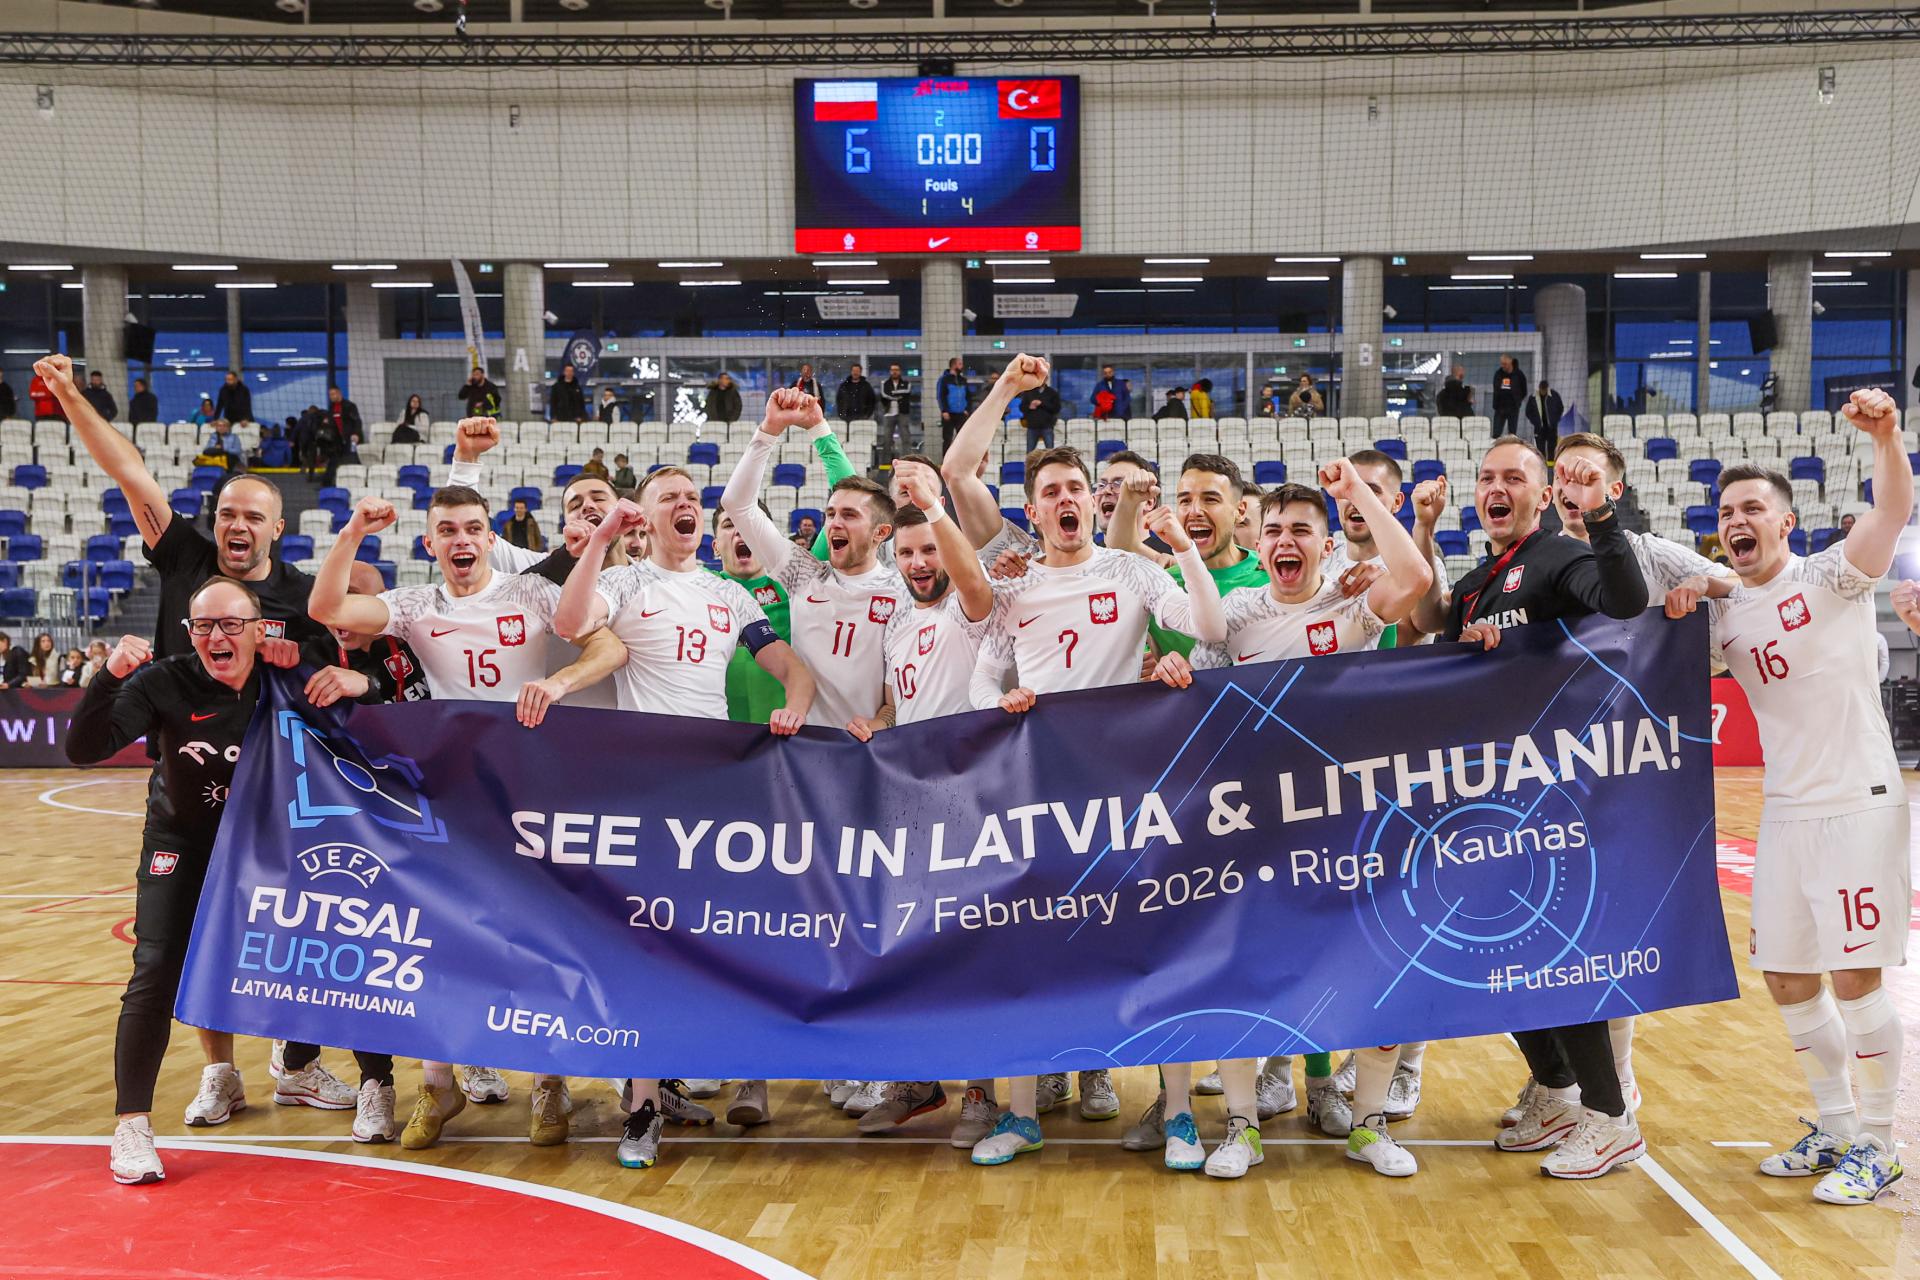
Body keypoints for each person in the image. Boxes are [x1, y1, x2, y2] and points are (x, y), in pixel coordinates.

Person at [308, 490, 624, 1151]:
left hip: (530, 792)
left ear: (489, 538)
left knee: (540, 942)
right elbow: (328, 608)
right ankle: (438, 1087)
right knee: (438, 943)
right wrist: (355, 530)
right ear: (430, 544)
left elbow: (610, 648)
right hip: (447, 795)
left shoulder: (531, 592)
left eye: (473, 528)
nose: (461, 538)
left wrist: (559, 686)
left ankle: (548, 1081)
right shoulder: (417, 605)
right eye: (447, 529)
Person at [1149, 466, 1435, 1179]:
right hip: (1254, 830)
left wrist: (1356, 494)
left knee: (1379, 972)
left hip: (1351, 828)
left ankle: (1369, 1125)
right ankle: (1242, 1127)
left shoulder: (1356, 604)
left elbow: (1418, 581)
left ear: (1325, 542)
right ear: (1259, 536)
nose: (1285, 540)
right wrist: (1171, 674)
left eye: (1301, 530)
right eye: (1273, 529)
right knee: (1245, 976)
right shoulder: (1240, 609)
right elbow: (1196, 670)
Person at [963, 445, 1225, 1168]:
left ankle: (1179, 1118)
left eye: (1077, 487)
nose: (1066, 499)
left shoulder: (1134, 569)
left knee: (1157, 947)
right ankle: (1020, 1117)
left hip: (1133, 789)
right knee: (1031, 950)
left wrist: (1181, 551)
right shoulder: (1010, 588)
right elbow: (980, 684)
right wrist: (1004, 706)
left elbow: (1207, 629)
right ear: (1033, 510)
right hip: (1044, 792)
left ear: (1093, 501)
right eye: (1052, 490)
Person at [554, 477, 815, 1171]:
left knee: (725, 940)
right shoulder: (630, 580)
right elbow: (568, 622)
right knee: (648, 950)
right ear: (649, 513)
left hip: (718, 790)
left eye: (689, 495)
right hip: (648, 789)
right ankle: (640, 1111)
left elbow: (791, 665)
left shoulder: (729, 594)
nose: (684, 503)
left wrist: (793, 702)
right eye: (667, 496)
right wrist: (604, 538)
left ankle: (718, 1074)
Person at [1409, 436, 1651, 1181]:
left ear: (1543, 496)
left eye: (1514, 477)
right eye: (1486, 477)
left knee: (1557, 965)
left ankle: (1611, 1119)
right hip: (1489, 802)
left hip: (1555, 800)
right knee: (1494, 957)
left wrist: (1603, 517)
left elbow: (1625, 601)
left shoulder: (1553, 558)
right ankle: (1555, 1088)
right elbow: (1435, 634)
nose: (1495, 487)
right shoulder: (1483, 577)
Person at [1691, 389, 1910, 1206]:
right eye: (1726, 511)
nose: (1737, 519)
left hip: (1859, 798)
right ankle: (1834, 1129)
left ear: (1785, 522)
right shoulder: (1724, 617)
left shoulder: (1834, 575)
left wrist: (1888, 438)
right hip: (1787, 809)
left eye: (1753, 507)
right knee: (1787, 975)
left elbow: (1890, 509)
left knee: (1856, 976)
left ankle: (1881, 1145)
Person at [68, 582, 294, 1184]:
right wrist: (108, 678)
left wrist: (358, 682)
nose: (216, 637)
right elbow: (84, 748)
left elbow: (365, 713)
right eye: (203, 626)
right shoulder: (162, 681)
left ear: (258, 629)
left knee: (312, 956)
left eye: (230, 625)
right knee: (157, 968)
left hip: (267, 847)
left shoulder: (287, 677)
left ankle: (302, 1069)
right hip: (182, 844)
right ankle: (132, 1126)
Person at [840, 467, 998, 1144]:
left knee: (976, 952)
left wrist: (936, 507)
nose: (918, 563)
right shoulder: (899, 622)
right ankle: (915, 1081)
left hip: (975, 798)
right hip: (910, 804)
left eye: (928, 549)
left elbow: (971, 580)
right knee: (910, 948)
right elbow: (896, 701)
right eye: (905, 553)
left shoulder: (971, 603)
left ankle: (982, 1093)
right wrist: (877, 722)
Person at [720, 389, 903, 731]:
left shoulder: (902, 592)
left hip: (870, 748)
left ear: (881, 533)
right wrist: (770, 430)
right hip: (803, 746)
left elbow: (898, 697)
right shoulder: (804, 574)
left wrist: (880, 723)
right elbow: (737, 504)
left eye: (849, 515)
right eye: (831, 513)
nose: (834, 522)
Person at [879, 363, 914, 456]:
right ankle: (886, 462)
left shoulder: (906, 383)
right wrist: (898, 396)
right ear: (890, 371)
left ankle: (907, 458)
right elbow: (883, 395)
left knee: (906, 437)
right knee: (887, 439)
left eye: (896, 370)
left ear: (900, 371)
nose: (894, 372)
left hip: (903, 413)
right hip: (888, 413)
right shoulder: (885, 383)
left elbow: (907, 392)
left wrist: (892, 394)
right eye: (893, 370)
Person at [1021, 375, 1062, 454]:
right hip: (1032, 426)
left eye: (1043, 378)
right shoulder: (1029, 392)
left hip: (1047, 426)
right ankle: (1030, 466)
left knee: (1050, 451)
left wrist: (1042, 404)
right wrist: (1029, 406)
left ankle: (1050, 465)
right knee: (1030, 452)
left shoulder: (1052, 393)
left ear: (1046, 379)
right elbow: (1022, 408)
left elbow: (1056, 408)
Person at [937, 358, 971, 451]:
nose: (962, 366)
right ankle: (946, 461)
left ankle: (961, 460)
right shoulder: (944, 380)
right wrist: (944, 410)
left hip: (961, 414)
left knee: (962, 438)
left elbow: (968, 396)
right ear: (954, 365)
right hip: (949, 414)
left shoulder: (963, 380)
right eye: (960, 364)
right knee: (947, 439)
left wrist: (967, 409)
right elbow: (941, 396)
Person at [1490, 355, 1528, 438]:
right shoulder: (1498, 374)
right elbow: (1496, 389)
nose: (1503, 366)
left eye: (1505, 364)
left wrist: (1517, 400)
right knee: (1496, 433)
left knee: (1512, 434)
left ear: (1510, 362)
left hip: (1513, 408)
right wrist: (1497, 402)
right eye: (1502, 364)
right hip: (1500, 408)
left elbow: (1524, 390)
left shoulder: (1519, 374)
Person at [1526, 379, 1564, 456]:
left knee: (1552, 448)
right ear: (1539, 388)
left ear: (1547, 388)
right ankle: (1542, 465)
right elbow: (1528, 412)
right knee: (1540, 449)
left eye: (1544, 389)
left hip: (1552, 428)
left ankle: (1551, 466)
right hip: (1539, 428)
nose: (1543, 391)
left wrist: (1555, 420)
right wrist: (1535, 422)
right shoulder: (1533, 397)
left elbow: (1560, 408)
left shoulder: (1554, 395)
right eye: (1541, 389)